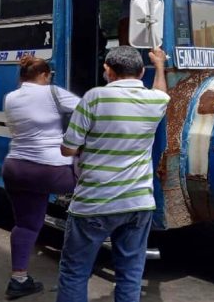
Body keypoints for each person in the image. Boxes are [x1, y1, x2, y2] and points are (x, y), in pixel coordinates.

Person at [56, 46, 170, 302]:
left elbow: (68, 149)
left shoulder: (94, 98)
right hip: (138, 203)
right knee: (130, 274)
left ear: (108, 70)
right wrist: (160, 66)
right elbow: (161, 91)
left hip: (95, 203)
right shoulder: (156, 101)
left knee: (75, 272)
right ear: (141, 72)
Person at [2, 56, 80, 298]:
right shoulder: (53, 93)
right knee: (94, 185)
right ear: (45, 75)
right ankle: (79, 269)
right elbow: (89, 109)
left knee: (26, 224)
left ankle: (19, 279)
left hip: (15, 168)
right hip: (53, 171)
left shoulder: (11, 97)